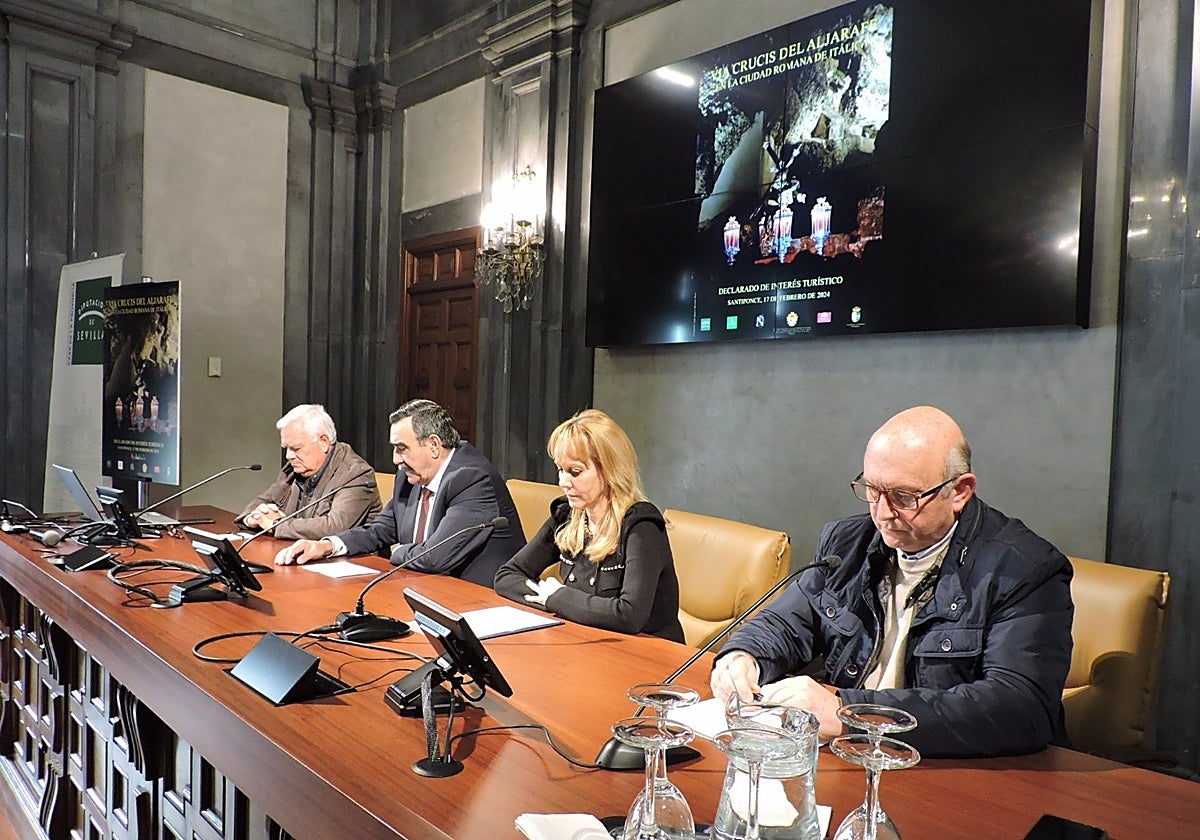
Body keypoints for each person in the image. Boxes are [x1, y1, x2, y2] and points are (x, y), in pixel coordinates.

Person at [710, 406, 1074, 758]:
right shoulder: (847, 542)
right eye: (872, 490)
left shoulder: (1024, 569)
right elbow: (785, 622)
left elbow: (1019, 708)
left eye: (904, 497)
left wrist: (847, 711)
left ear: (959, 491)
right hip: (857, 754)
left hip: (953, 770)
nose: (883, 514)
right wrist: (743, 657)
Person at [274, 399, 525, 587]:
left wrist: (396, 551)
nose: (395, 460)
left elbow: (434, 557)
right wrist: (328, 546)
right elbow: (382, 528)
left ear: (434, 445)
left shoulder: (472, 478)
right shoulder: (411, 474)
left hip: (478, 600)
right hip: (423, 586)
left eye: (402, 448)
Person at [494, 409, 685, 643]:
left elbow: (629, 615)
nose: (563, 482)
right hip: (587, 641)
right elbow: (507, 575)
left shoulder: (641, 526)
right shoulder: (568, 515)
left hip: (649, 654)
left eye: (575, 472)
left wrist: (557, 599)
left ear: (610, 469)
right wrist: (546, 600)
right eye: (560, 470)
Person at [236, 404, 381, 541]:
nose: (289, 456)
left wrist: (277, 525)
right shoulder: (294, 469)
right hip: (298, 552)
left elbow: (335, 527)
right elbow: (264, 500)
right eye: (286, 448)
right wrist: (253, 517)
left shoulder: (355, 473)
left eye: (296, 448)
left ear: (323, 441)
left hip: (354, 562)